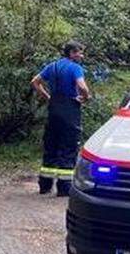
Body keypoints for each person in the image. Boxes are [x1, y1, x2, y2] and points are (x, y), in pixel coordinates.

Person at [31, 41, 92, 196]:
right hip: (70, 109)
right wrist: (85, 97)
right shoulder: (75, 68)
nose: (81, 55)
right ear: (71, 53)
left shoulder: (52, 66)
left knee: (51, 145)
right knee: (68, 146)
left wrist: (47, 96)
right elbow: (82, 86)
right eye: (79, 52)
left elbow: (35, 82)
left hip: (53, 108)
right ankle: (64, 188)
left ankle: (44, 185)